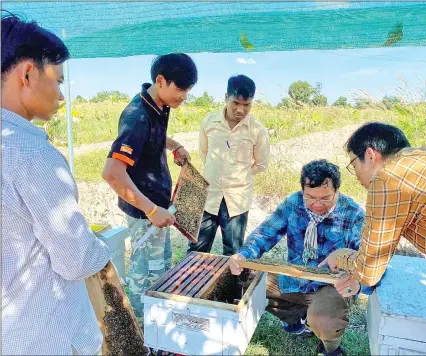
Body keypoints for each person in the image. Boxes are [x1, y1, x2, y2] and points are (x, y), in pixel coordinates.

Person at [321, 122, 426, 356]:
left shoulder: (389, 177)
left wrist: (342, 256)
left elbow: (370, 270)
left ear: (370, 155)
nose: (356, 175)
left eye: (353, 165)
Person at [1, 13, 110, 355]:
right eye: (58, 80)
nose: (61, 95)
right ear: (28, 74)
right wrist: (101, 248)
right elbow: (76, 259)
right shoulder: (33, 154)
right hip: (47, 336)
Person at [229, 160, 376, 356]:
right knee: (250, 281)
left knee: (324, 320)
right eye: (310, 197)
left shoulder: (353, 214)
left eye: (325, 198)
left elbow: (370, 259)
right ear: (302, 191)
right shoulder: (293, 203)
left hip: (331, 285)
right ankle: (296, 319)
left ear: (336, 191)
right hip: (296, 277)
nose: (316, 205)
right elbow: (266, 233)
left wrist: (357, 280)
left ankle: (330, 347)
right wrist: (243, 254)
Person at [102, 54, 197, 324]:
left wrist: (174, 145)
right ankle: (142, 327)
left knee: (160, 267)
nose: (184, 97)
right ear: (160, 80)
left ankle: (157, 320)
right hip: (145, 211)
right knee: (143, 272)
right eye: (181, 89)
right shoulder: (137, 117)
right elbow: (112, 173)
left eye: (188, 91)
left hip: (156, 208)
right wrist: (152, 209)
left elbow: (153, 136)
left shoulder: (158, 105)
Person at [188, 75, 270, 256]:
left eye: (246, 105)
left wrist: (239, 174)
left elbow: (262, 164)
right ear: (226, 97)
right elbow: (205, 153)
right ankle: (195, 282)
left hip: (236, 200)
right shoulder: (209, 122)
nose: (241, 110)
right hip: (209, 196)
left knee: (233, 252)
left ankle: (233, 285)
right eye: (236, 103)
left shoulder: (257, 130)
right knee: (197, 248)